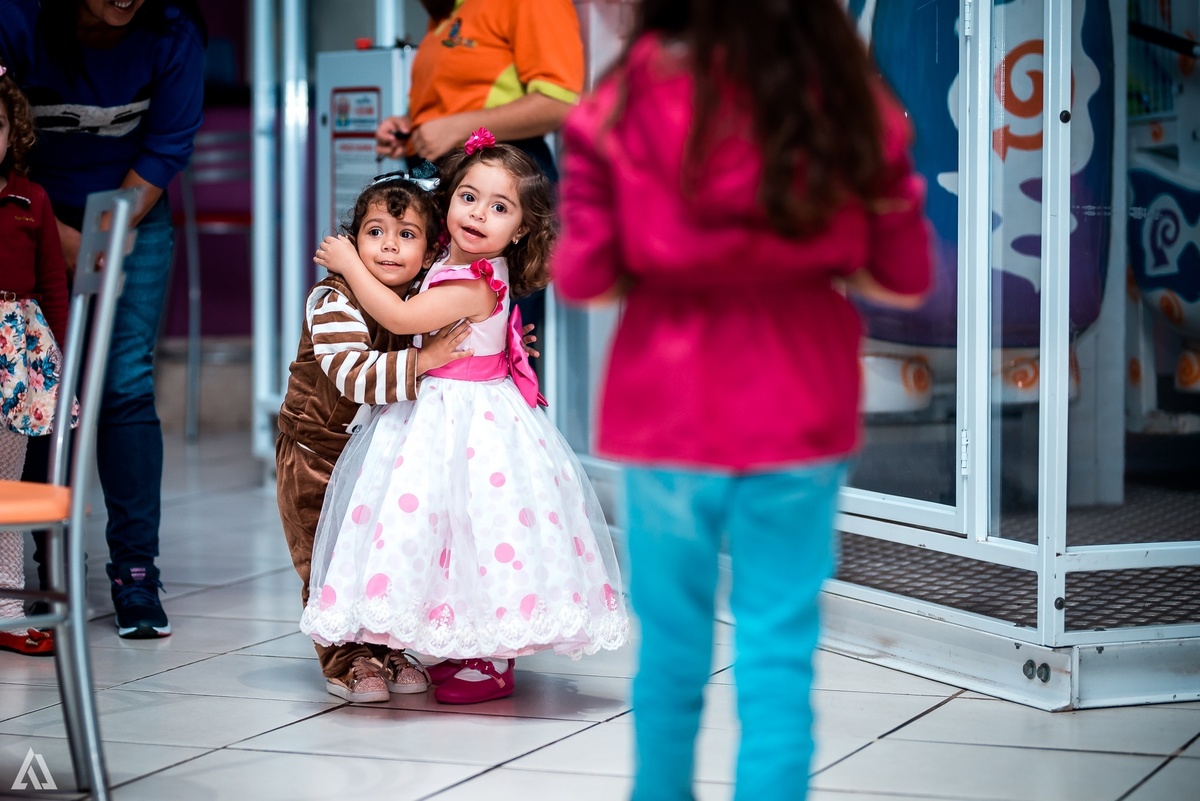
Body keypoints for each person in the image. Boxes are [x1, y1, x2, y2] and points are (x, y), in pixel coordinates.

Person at [551, 2, 933, 799]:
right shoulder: (846, 99)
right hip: (800, 407)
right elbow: (902, 274)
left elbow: (586, 277)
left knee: (671, 653)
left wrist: (672, 253)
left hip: (665, 413)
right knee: (778, 653)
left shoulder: (615, 107)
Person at [301, 132, 630, 705]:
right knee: (447, 530)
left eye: (499, 208)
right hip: (448, 411)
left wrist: (351, 263)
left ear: (521, 229)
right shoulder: (456, 263)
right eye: (468, 197)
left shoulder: (474, 281)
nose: (478, 214)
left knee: (480, 529)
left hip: (468, 422)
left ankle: (491, 657)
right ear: (447, 199)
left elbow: (402, 318)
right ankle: (460, 640)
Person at [0, 0, 206, 638]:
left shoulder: (172, 34)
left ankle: (136, 573)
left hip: (130, 217)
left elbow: (165, 148)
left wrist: (95, 240)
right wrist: (52, 235)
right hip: (22, 209)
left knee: (122, 382)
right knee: (31, 394)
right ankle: (42, 566)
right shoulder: (19, 18)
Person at [278, 175, 474, 702]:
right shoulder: (333, 298)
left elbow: (457, 341)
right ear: (353, 241)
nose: (389, 244)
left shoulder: (421, 297)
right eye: (374, 231)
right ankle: (343, 656)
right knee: (324, 555)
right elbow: (353, 374)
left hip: (383, 457)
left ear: (432, 248)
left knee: (380, 554)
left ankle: (383, 645)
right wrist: (426, 359)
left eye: (406, 234)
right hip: (317, 453)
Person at [373, 0, 587, 368]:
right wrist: (410, 128)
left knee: (493, 352)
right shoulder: (449, 10)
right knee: (432, 331)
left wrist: (456, 128)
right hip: (446, 178)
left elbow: (560, 101)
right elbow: (460, 97)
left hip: (505, 173)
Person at [0, 63, 67, 657]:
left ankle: (9, 607)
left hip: (18, 363)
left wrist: (63, 360)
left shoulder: (30, 198)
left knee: (9, 488)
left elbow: (52, 284)